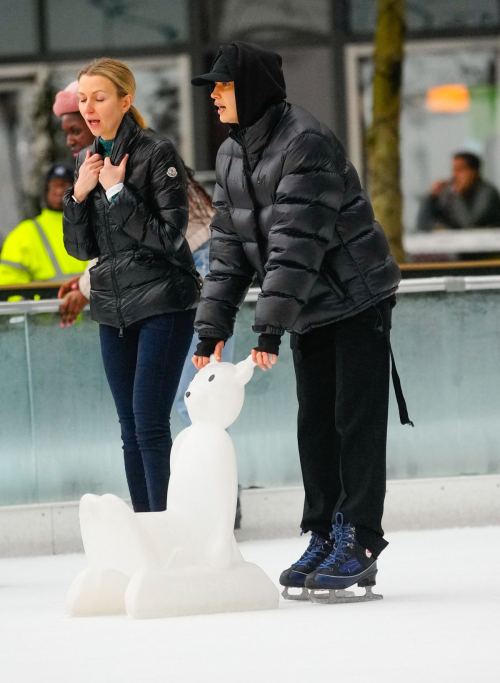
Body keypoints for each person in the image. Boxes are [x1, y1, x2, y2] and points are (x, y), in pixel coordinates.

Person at [191, 41, 410, 599]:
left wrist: (268, 326)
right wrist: (211, 327)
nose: (214, 94)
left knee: (353, 421)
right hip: (309, 306)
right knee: (314, 424)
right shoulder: (232, 154)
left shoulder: (304, 142)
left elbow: (297, 244)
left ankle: (358, 539)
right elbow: (226, 249)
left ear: (251, 88)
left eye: (222, 84)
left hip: (355, 298)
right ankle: (322, 532)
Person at [63, 58, 200, 513]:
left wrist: (119, 194)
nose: (89, 108)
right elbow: (81, 249)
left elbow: (169, 237)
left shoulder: (156, 153)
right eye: (83, 99)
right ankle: (146, 527)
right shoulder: (87, 161)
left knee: (149, 423)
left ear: (126, 100)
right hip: (112, 309)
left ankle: (163, 527)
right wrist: (78, 195)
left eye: (99, 98)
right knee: (129, 428)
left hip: (164, 302)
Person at [0, 164, 88, 287]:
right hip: (46, 306)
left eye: (65, 185)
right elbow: (9, 283)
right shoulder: (23, 234)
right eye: (53, 186)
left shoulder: (96, 225)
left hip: (94, 304)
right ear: (45, 191)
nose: (59, 191)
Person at [53, 80, 97, 326]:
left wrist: (85, 288)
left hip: (194, 266)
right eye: (66, 133)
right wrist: (85, 281)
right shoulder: (95, 165)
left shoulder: (123, 160)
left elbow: (122, 241)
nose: (69, 141)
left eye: (76, 131)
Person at [417, 152, 500, 232]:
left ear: (474, 172)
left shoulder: (487, 192)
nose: (454, 175)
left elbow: (470, 225)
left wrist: (458, 196)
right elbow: (423, 225)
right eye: (453, 170)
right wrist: (431, 197)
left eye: (460, 170)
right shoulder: (449, 193)